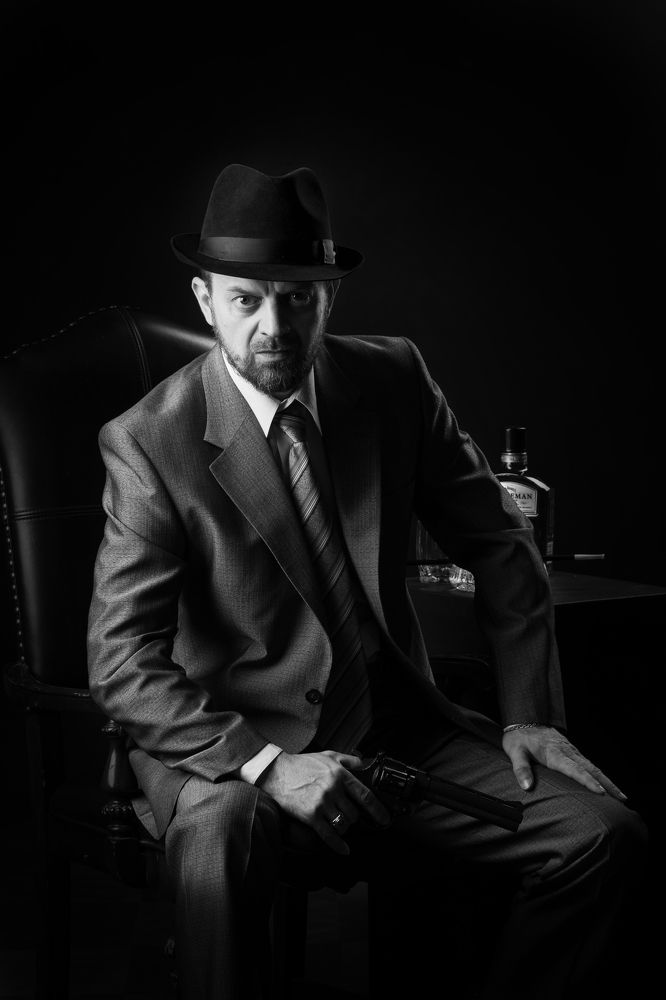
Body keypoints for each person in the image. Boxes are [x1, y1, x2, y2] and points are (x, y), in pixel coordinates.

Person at [87, 163, 646, 1000]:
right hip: (234, 748)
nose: (274, 326)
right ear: (205, 301)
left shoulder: (393, 381)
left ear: (330, 298)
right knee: (217, 829)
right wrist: (267, 765)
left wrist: (529, 714)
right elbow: (121, 660)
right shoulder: (148, 442)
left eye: (297, 299)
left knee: (603, 835)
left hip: (400, 740)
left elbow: (501, 542)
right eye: (246, 300)